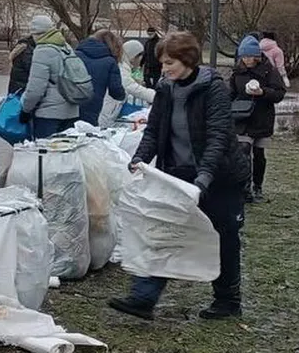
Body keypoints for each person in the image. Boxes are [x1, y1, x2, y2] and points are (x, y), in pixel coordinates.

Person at [109, 32, 249, 321]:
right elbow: (154, 130)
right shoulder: (165, 88)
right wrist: (140, 158)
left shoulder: (213, 90)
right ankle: (143, 297)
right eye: (162, 63)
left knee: (223, 237)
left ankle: (227, 301)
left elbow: (218, 137)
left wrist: (205, 178)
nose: (164, 69)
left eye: (169, 63)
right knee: (164, 231)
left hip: (221, 178)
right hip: (178, 174)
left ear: (187, 60)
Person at [230, 35, 286, 203]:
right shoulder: (237, 72)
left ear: (257, 56)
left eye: (250, 56)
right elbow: (230, 93)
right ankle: (245, 188)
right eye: (244, 56)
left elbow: (279, 93)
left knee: (259, 155)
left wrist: (263, 93)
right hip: (242, 119)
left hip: (262, 118)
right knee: (243, 151)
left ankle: (258, 186)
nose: (247, 60)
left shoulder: (269, 70)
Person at [19, 16, 81, 138]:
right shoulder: (66, 47)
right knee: (65, 154)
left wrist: (25, 110)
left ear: (35, 34)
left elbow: (35, 89)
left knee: (46, 154)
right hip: (72, 111)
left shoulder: (42, 51)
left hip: (49, 115)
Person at [100, 39, 157, 126]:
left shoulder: (123, 67)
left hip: (111, 111)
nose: (141, 60)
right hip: (108, 113)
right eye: (140, 57)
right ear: (133, 56)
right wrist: (156, 96)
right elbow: (131, 87)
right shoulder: (121, 68)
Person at [75, 29, 125, 126]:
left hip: (71, 104)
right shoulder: (110, 62)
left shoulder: (76, 54)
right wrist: (123, 95)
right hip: (92, 106)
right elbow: (116, 91)